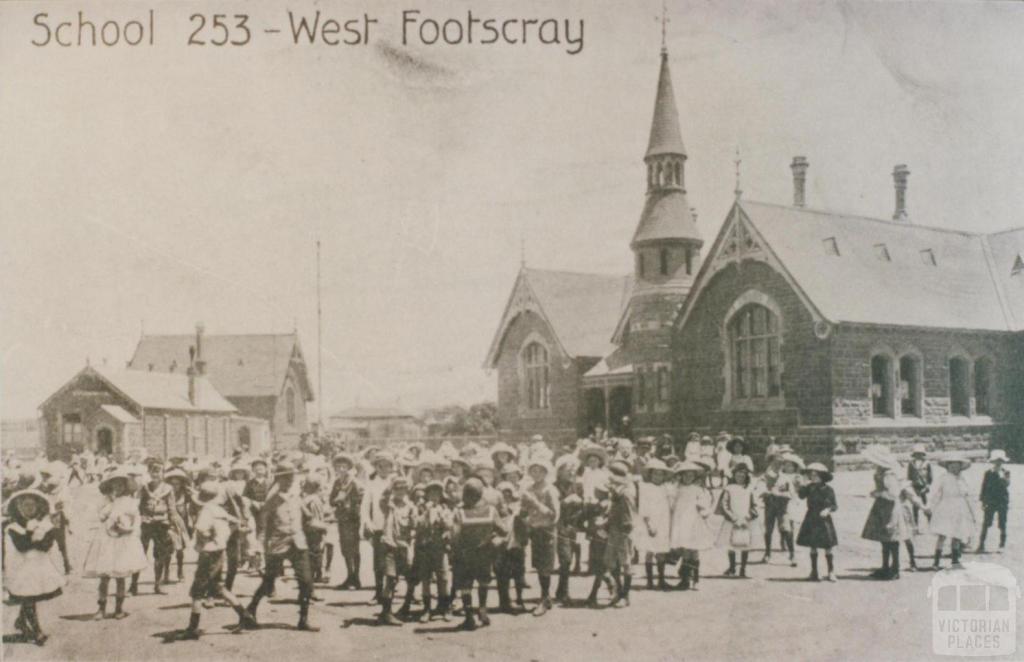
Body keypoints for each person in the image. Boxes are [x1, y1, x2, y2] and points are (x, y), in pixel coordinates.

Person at [180, 481, 258, 640]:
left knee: (197, 590)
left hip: (208, 553)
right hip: (219, 552)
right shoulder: (220, 511)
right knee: (218, 587)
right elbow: (237, 523)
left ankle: (192, 628)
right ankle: (244, 615)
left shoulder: (206, 511)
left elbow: (202, 530)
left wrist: (206, 538)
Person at [245, 462, 318, 632]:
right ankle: (251, 609)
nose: (290, 481)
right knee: (269, 581)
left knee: (306, 581)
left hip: (298, 543)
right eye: (286, 478)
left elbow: (307, 516)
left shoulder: (295, 497)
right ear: (278, 479)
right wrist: (257, 548)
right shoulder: (271, 501)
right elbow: (262, 527)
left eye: (291, 477)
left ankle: (303, 619)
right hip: (278, 545)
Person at [82, 471, 148, 619]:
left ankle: (119, 608)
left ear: (125, 487)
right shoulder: (108, 502)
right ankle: (101, 608)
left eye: (120, 485)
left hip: (123, 541)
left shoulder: (131, 502)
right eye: (114, 485)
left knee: (120, 575)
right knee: (104, 576)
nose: (117, 488)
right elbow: (100, 517)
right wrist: (108, 509)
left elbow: (136, 520)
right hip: (106, 541)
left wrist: (128, 528)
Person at [3, 490, 65, 646]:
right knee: (28, 596)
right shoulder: (13, 527)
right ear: (18, 507)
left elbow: (46, 545)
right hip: (21, 568)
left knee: (31, 596)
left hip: (38, 567)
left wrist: (37, 538)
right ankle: (37, 631)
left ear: (38, 507)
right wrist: (32, 533)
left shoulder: (45, 525)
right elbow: (22, 546)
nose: (29, 509)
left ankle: (21, 621)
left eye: (32, 505)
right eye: (25, 505)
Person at [450, 477, 503, 631]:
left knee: (466, 585)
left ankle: (468, 617)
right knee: (483, 582)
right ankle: (483, 610)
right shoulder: (491, 510)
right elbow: (503, 530)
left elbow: (455, 535)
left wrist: (453, 551)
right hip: (484, 554)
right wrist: (494, 538)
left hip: (464, 555)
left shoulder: (460, 512)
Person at [860, 446, 917, 580]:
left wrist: (877, 493)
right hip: (882, 506)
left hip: (890, 507)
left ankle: (895, 568)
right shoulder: (881, 471)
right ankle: (885, 566)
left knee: (891, 538)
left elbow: (893, 493)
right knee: (884, 539)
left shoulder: (889, 474)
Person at [520, 459, 560, 616]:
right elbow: (524, 510)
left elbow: (554, 515)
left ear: (545, 472)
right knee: (538, 564)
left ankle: (544, 598)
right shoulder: (529, 489)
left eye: (540, 471)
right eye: (533, 471)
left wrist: (535, 503)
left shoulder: (550, 490)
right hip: (535, 530)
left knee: (546, 565)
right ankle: (546, 596)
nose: (536, 474)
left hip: (547, 530)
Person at [668, 460, 714, 590]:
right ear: (681, 476)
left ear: (695, 476)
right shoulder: (677, 489)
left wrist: (703, 509)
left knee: (694, 550)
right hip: (681, 521)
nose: (688, 477)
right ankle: (685, 580)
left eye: (691, 475)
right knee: (686, 550)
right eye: (685, 475)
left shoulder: (698, 489)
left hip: (693, 521)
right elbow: (671, 504)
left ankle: (696, 579)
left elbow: (704, 504)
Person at [379, 476, 417, 624]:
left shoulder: (410, 507)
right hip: (390, 545)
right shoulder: (388, 505)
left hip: (404, 547)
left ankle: (406, 606)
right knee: (390, 579)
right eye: (397, 488)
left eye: (403, 488)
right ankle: (386, 612)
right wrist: (392, 483)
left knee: (411, 578)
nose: (400, 491)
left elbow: (413, 527)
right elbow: (383, 497)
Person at [413, 480, 452, 622]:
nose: (434, 497)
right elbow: (417, 525)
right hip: (424, 548)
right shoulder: (421, 508)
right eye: (431, 494)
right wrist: (427, 512)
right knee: (425, 579)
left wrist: (441, 517)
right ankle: (426, 608)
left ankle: (445, 607)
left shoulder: (445, 509)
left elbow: (449, 526)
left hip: (439, 548)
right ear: (427, 495)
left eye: (437, 494)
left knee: (443, 578)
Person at [929, 455, 977, 570]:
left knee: (958, 534)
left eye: (957, 466)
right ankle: (936, 562)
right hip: (946, 507)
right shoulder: (943, 478)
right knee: (943, 534)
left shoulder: (962, 479)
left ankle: (955, 561)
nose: (954, 468)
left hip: (960, 508)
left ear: (960, 467)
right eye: (952, 466)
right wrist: (931, 506)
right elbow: (935, 493)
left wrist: (972, 512)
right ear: (948, 467)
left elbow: (967, 495)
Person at [361, 453, 396, 603]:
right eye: (380, 466)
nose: (383, 469)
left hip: (395, 528)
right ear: (376, 467)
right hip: (378, 527)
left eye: (387, 465)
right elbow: (364, 507)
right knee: (378, 562)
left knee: (394, 561)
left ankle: (390, 593)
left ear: (390, 467)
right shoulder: (371, 484)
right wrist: (368, 522)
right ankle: (378, 592)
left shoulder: (395, 483)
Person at [716, 458, 760, 579]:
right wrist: (733, 517)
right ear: (734, 474)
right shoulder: (729, 488)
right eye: (738, 473)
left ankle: (743, 568)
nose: (740, 475)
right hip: (732, 519)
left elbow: (754, 505)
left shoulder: (749, 489)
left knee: (745, 544)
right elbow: (724, 505)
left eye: (743, 473)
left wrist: (747, 517)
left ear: (746, 475)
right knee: (731, 544)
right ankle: (732, 567)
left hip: (745, 519)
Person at [137, 460, 175, 594]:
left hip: (162, 524)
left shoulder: (168, 488)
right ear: (149, 473)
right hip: (147, 523)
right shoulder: (145, 488)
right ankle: (133, 585)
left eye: (158, 471)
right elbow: (140, 505)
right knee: (140, 553)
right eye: (153, 471)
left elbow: (171, 508)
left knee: (160, 555)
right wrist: (141, 518)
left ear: (163, 474)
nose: (156, 474)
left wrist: (172, 524)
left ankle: (157, 585)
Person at [796, 462, 838, 582]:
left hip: (824, 520)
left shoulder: (828, 489)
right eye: (811, 475)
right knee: (813, 545)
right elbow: (801, 496)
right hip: (811, 517)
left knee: (828, 546)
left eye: (816, 475)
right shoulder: (810, 487)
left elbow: (834, 505)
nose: (813, 477)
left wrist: (828, 509)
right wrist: (801, 485)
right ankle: (814, 572)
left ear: (822, 476)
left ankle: (831, 571)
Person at [603, 460, 637, 607]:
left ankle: (625, 595)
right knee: (610, 561)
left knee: (626, 562)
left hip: (623, 531)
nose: (611, 480)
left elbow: (629, 516)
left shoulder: (626, 493)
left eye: (614, 476)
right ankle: (619, 589)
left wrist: (625, 530)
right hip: (613, 530)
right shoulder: (614, 492)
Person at [636, 458, 672, 590]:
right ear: (650, 474)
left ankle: (661, 580)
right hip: (650, 522)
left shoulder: (665, 488)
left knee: (661, 551)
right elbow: (643, 508)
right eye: (655, 473)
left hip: (663, 522)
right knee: (650, 550)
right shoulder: (646, 488)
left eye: (661, 474)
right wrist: (649, 524)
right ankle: (649, 581)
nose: (658, 476)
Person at [329, 453, 364, 589]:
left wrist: (352, 504)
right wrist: (337, 500)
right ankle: (350, 575)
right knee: (345, 549)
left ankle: (356, 577)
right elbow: (331, 500)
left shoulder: (354, 482)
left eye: (344, 466)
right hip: (342, 518)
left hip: (353, 519)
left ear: (349, 467)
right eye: (338, 467)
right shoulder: (337, 482)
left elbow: (362, 498)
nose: (341, 469)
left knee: (354, 549)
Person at [494, 481, 528, 614]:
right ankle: (504, 601)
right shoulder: (494, 509)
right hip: (501, 545)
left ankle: (520, 599)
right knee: (502, 575)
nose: (506, 494)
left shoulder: (518, 507)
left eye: (509, 491)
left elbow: (524, 522)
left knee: (519, 573)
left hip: (516, 543)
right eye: (503, 492)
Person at [37, 462, 73, 574]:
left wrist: (68, 521)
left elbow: (63, 504)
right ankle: (60, 565)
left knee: (60, 542)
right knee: (49, 542)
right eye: (43, 475)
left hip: (56, 516)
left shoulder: (58, 486)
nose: (44, 477)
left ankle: (66, 563)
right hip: (48, 516)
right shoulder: (42, 487)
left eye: (46, 475)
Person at [978, 449, 1010, 553]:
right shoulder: (988, 473)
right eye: (996, 460)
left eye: (1000, 460)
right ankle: (981, 544)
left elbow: (1007, 484)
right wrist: (983, 501)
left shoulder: (1006, 472)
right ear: (993, 461)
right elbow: (984, 487)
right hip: (991, 500)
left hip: (1002, 501)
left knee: (1002, 523)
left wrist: (1002, 477)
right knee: (986, 523)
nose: (998, 462)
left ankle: (1002, 545)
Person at [906, 443, 933, 530]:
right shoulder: (911, 463)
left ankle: (931, 524)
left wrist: (928, 486)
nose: (918, 456)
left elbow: (930, 476)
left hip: (924, 487)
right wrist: (910, 485)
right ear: (914, 455)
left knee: (926, 506)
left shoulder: (927, 463)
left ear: (923, 454)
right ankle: (916, 526)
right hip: (915, 487)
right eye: (917, 454)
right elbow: (909, 476)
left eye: (920, 454)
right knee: (915, 506)